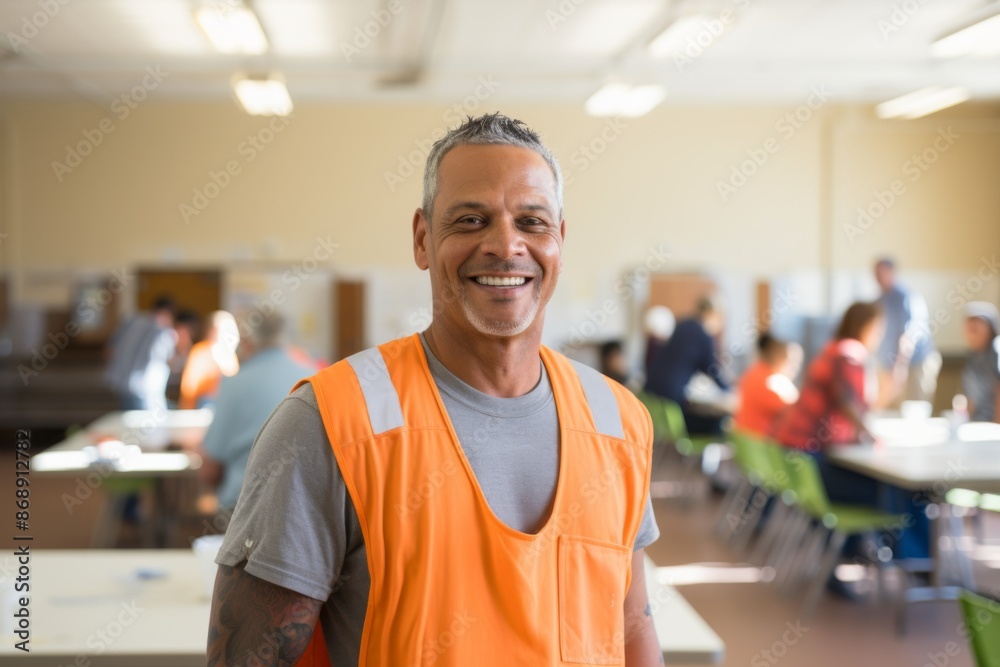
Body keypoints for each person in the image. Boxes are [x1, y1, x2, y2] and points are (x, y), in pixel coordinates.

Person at [207, 114, 662, 665]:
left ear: (559, 242)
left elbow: (631, 626)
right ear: (423, 240)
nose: (505, 244)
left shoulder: (618, 420)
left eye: (531, 221)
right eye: (471, 220)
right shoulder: (329, 421)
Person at [774, 302, 928, 561]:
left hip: (795, 459)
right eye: (878, 329)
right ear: (866, 327)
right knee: (898, 489)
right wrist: (870, 435)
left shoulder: (832, 349)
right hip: (812, 460)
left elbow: (860, 405)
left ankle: (855, 551)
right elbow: (849, 403)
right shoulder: (850, 353)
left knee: (879, 482)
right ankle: (915, 560)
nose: (879, 336)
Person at [199, 311, 313, 515]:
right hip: (304, 508)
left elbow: (210, 468)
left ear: (245, 341)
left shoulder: (235, 384)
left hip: (244, 507)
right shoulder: (313, 378)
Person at [644, 295, 729, 435]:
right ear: (711, 314)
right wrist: (728, 389)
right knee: (718, 423)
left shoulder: (681, 325)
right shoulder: (702, 334)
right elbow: (712, 369)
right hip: (673, 403)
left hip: (655, 397)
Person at [874, 257, 941, 407]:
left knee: (914, 408)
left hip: (916, 363)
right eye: (875, 274)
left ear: (892, 272)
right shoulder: (881, 300)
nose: (877, 278)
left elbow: (908, 337)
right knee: (892, 409)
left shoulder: (906, 298)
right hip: (890, 365)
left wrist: (900, 367)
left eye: (881, 273)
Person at [103, 296, 177, 411]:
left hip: (123, 384)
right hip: (146, 388)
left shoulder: (131, 322)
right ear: (167, 313)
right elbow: (170, 361)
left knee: (129, 417)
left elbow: (110, 350)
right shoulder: (163, 331)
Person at [734, 332, 800, 437]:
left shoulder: (755, 371)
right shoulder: (770, 381)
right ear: (778, 357)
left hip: (744, 435)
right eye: (790, 361)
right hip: (757, 439)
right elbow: (789, 412)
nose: (794, 368)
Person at [178, 310, 240, 409]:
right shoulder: (200, 352)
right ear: (212, 331)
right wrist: (187, 411)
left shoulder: (231, 356)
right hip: (204, 406)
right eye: (226, 330)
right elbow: (189, 388)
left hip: (226, 404)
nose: (231, 335)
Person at [960, 301, 1000, 422]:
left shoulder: (996, 351)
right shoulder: (973, 355)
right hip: (977, 423)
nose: (972, 330)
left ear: (990, 328)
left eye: (977, 325)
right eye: (969, 325)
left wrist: (996, 428)